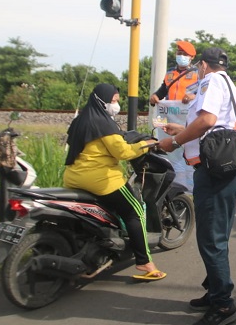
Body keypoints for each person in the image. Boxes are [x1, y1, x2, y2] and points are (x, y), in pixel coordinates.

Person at [158, 47, 236, 325]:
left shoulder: (211, 80)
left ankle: (223, 305)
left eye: (197, 65)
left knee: (211, 237)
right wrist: (180, 129)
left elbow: (207, 120)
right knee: (217, 234)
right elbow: (210, 122)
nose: (195, 68)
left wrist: (174, 142)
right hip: (226, 169)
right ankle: (215, 290)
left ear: (204, 65)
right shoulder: (229, 84)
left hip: (213, 171)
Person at [63, 83, 164, 280]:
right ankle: (145, 263)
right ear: (102, 100)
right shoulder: (104, 123)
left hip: (73, 178)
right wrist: (147, 144)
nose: (116, 105)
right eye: (114, 101)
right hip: (101, 180)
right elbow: (123, 152)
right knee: (134, 211)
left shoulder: (80, 120)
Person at [149, 40, 199, 105]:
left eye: (185, 54)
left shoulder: (197, 73)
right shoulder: (170, 72)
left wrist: (194, 96)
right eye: (179, 53)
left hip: (189, 112)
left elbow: (204, 93)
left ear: (192, 57)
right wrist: (155, 96)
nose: (181, 56)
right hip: (171, 113)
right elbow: (163, 90)